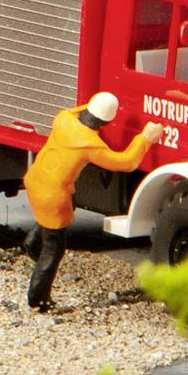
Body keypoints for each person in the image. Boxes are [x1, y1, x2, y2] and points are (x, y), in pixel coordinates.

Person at [22, 90, 160, 310]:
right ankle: (38, 299)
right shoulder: (90, 144)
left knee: (49, 220)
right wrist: (145, 138)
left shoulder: (64, 118)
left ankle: (32, 244)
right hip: (53, 196)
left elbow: (79, 110)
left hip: (36, 181)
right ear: (105, 122)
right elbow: (125, 162)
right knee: (54, 249)